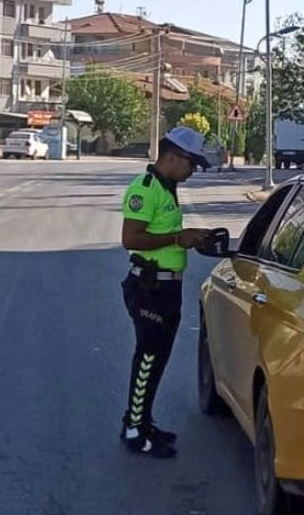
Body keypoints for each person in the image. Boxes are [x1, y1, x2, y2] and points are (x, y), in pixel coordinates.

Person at [119, 126, 212, 459]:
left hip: (167, 286)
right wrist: (177, 239)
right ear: (173, 157)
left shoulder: (167, 187)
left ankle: (142, 420)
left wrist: (191, 240)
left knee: (157, 359)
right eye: (191, 164)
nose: (193, 171)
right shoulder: (145, 189)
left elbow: (167, 231)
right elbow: (131, 238)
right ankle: (134, 430)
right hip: (150, 288)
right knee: (147, 358)